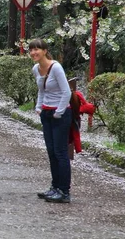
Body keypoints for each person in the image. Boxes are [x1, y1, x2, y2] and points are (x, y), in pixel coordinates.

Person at [30, 38, 72, 203]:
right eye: (31, 50)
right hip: (46, 114)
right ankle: (54, 187)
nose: (34, 53)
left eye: (37, 49)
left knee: (60, 153)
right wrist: (39, 107)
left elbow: (66, 92)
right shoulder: (36, 69)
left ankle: (64, 191)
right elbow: (41, 90)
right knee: (51, 152)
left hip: (60, 115)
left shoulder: (56, 68)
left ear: (45, 51)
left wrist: (59, 112)